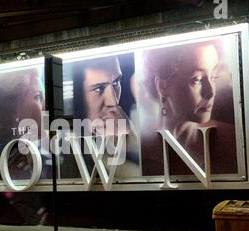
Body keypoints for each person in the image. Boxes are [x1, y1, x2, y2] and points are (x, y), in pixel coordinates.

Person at [139, 38, 237, 176]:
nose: (210, 92)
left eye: (213, 77)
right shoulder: (142, 148)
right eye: (197, 80)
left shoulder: (232, 141)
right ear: (163, 85)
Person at [62, 54, 140, 178]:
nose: (113, 102)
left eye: (116, 83)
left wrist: (132, 145)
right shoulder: (65, 151)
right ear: (79, 97)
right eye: (99, 89)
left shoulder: (129, 130)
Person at [0, 68, 51, 181]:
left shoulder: (35, 151)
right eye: (37, 97)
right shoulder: (9, 158)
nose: (45, 105)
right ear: (13, 109)